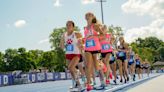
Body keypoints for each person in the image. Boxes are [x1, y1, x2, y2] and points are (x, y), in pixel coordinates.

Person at [60, 20, 83, 91]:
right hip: (68, 54)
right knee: (71, 70)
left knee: (70, 67)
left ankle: (79, 85)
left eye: (70, 25)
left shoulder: (76, 33)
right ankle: (75, 83)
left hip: (76, 54)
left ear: (73, 27)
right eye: (67, 25)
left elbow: (82, 42)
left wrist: (80, 43)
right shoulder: (64, 35)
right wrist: (62, 43)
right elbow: (62, 46)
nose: (68, 26)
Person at [83, 12, 102, 91]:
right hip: (87, 48)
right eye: (86, 15)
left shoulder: (95, 26)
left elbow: (102, 35)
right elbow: (86, 38)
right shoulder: (85, 27)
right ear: (85, 18)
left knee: (96, 67)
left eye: (90, 15)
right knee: (88, 66)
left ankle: (102, 67)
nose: (88, 16)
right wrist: (82, 40)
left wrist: (93, 36)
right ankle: (88, 83)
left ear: (93, 17)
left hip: (95, 47)